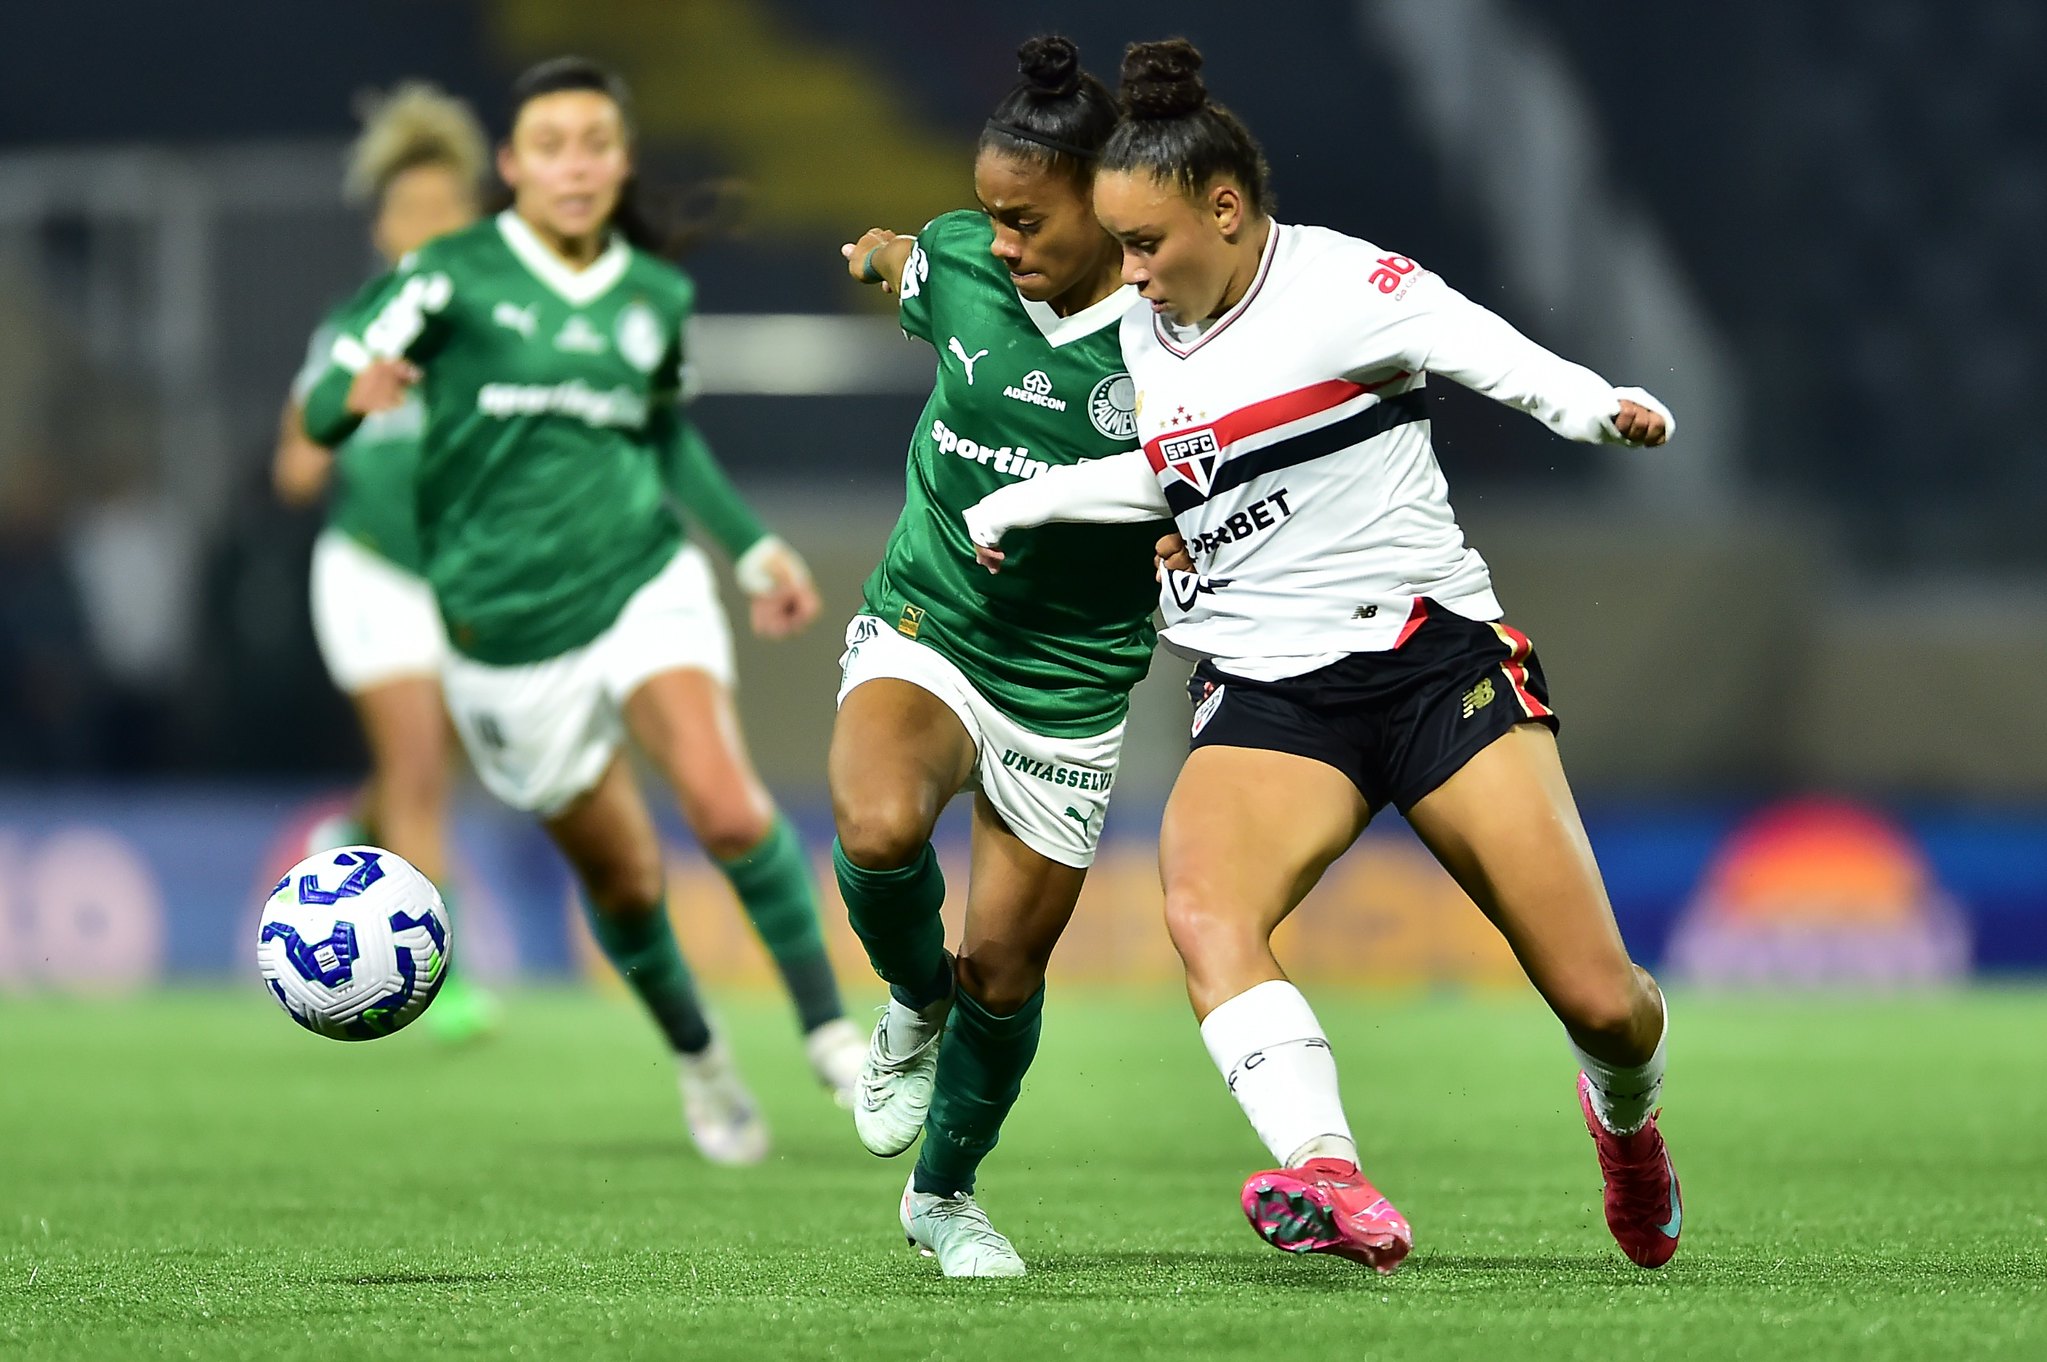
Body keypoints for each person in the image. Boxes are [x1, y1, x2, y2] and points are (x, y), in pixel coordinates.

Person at [964, 38, 1683, 1275]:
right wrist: (1030, 506)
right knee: (1204, 913)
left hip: (1429, 663)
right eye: (1121, 250)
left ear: (1226, 209)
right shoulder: (1152, 330)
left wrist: (1593, 407)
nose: (1129, 279)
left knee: (1604, 1005)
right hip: (1268, 692)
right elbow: (1179, 470)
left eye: (1146, 247)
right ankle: (1330, 1175)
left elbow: (1493, 354)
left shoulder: (1352, 285)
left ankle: (1625, 1123)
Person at [299, 56, 864, 1164]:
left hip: (640, 578)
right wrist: (345, 401)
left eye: (595, 143)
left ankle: (834, 1039)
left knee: (729, 808)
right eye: (550, 144)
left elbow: (663, 436)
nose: (575, 164)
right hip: (502, 632)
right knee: (625, 877)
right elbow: (323, 403)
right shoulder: (449, 276)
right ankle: (702, 1061)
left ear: (621, 161)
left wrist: (752, 549)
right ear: (511, 166)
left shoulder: (653, 294)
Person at [831, 36, 1167, 1276]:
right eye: (988, 216)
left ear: (1102, 199)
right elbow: (911, 259)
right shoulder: (965, 258)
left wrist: (1185, 531)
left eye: (1026, 219)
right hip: (932, 622)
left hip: (1070, 680)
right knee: (874, 829)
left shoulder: (1170, 336)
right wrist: (875, 254)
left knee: (1009, 971)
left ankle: (943, 1196)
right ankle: (909, 999)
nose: (1004, 242)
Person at [274, 83, 497, 1042]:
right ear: (384, 228)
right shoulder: (351, 331)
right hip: (368, 568)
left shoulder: (500, 335)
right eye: (415, 213)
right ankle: (440, 975)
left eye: (449, 210)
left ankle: (346, 837)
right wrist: (350, 409)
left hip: (458, 581)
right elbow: (293, 469)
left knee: (430, 766)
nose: (432, 227)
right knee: (416, 767)